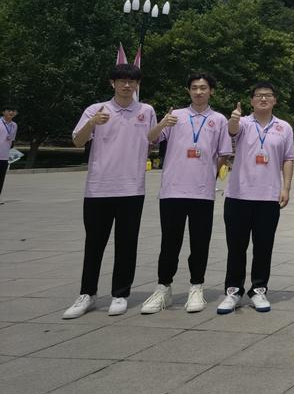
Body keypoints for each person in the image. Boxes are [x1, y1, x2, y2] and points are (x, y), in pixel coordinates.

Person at [63, 63, 156, 319]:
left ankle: (120, 293)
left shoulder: (146, 111)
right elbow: (77, 141)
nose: (127, 85)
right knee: (94, 243)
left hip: (132, 188)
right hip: (98, 188)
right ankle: (87, 293)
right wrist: (92, 123)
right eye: (121, 80)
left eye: (131, 81)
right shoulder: (96, 109)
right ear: (112, 83)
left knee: (127, 243)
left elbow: (152, 140)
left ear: (137, 84)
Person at [141, 73, 232, 314]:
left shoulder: (219, 120)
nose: (198, 92)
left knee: (200, 242)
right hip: (172, 190)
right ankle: (163, 288)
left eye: (203, 88)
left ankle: (196, 286)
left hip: (202, 192)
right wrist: (163, 123)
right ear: (188, 91)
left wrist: (209, 174)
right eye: (194, 88)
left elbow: (223, 153)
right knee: (169, 242)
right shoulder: (176, 116)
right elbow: (150, 138)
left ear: (211, 91)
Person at [218, 82, 294, 315]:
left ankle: (259, 289)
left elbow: (288, 159)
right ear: (251, 100)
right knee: (236, 246)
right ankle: (233, 291)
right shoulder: (242, 122)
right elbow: (232, 131)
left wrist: (286, 188)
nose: (263, 99)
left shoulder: (284, 127)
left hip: (268, 197)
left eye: (268, 95)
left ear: (275, 100)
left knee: (263, 246)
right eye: (259, 96)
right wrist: (233, 120)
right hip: (238, 195)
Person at [0, 104, 17, 203]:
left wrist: (11, 155)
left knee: (1, 177)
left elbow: (12, 141)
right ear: (3, 112)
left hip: (4, 156)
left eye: (13, 111)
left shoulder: (14, 125)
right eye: (9, 110)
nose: (11, 112)